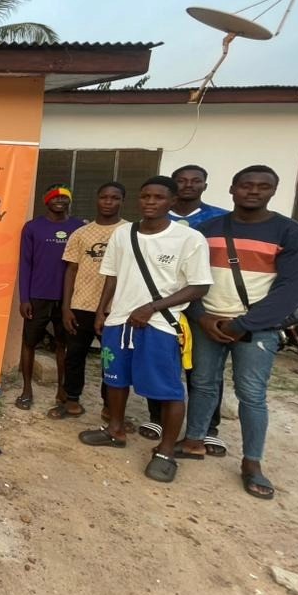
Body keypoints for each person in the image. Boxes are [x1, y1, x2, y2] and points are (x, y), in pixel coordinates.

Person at [178, 166, 298, 499]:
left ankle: (252, 463)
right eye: (246, 186)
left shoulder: (289, 232)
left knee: (251, 394)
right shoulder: (207, 230)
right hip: (207, 320)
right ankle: (194, 440)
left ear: (273, 191)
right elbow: (187, 278)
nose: (254, 191)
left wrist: (243, 324)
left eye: (262, 186)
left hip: (256, 329)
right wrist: (202, 316)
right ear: (232, 189)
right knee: (203, 382)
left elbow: (290, 289)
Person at [79, 177, 213, 484]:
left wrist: (151, 307)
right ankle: (114, 429)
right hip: (119, 322)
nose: (150, 202)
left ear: (173, 201)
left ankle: (165, 451)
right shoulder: (123, 234)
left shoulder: (188, 239)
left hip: (160, 325)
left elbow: (199, 286)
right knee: (114, 379)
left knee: (168, 390)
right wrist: (102, 310)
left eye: (158, 197)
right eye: (145, 196)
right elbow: (110, 275)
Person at [145, 164, 229, 449]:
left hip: (204, 306)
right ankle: (156, 417)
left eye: (196, 181)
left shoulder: (220, 219)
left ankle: (207, 427)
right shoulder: (155, 216)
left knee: (205, 372)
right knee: (161, 364)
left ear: (205, 185)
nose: (188, 185)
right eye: (181, 180)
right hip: (162, 307)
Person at [50, 182, 127, 419]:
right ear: (97, 199)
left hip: (115, 308)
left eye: (114, 198)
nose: (108, 202)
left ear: (122, 201)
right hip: (81, 305)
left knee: (110, 359)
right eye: (104, 197)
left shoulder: (129, 232)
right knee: (75, 355)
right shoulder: (81, 233)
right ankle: (72, 400)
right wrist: (66, 307)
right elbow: (71, 270)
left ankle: (109, 406)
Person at [15, 184, 85, 410]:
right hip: (38, 295)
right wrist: (24, 298)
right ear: (46, 201)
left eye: (65, 198)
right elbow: (25, 264)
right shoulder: (33, 227)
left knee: (64, 344)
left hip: (69, 299)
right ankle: (26, 389)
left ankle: (62, 390)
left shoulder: (79, 227)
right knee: (29, 343)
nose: (60, 201)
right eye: (55, 197)